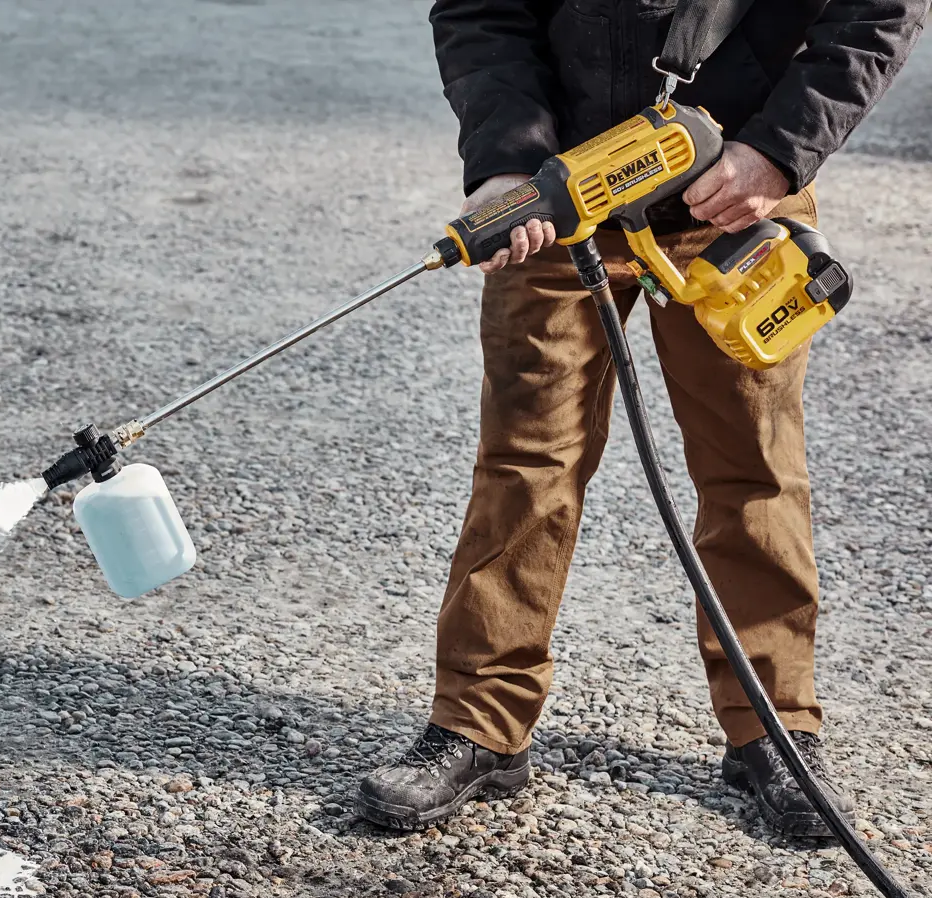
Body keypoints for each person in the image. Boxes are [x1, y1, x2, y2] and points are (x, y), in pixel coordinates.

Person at [357, 0, 929, 837]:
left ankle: (776, 727)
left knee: (753, 467)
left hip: (737, 202)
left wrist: (777, 151)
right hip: (560, 197)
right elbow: (483, 10)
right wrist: (507, 159)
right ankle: (480, 725)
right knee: (527, 460)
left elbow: (879, 8)